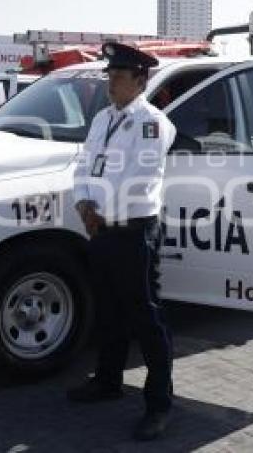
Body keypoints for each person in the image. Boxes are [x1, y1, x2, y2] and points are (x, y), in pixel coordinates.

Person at [66, 42, 177, 441]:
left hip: (132, 231)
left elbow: (138, 180)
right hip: (101, 230)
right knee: (109, 312)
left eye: (118, 76)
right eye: (109, 76)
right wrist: (83, 203)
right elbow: (83, 165)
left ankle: (160, 404)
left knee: (146, 318)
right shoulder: (102, 119)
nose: (110, 82)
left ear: (140, 80)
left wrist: (99, 211)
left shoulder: (152, 123)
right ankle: (108, 382)